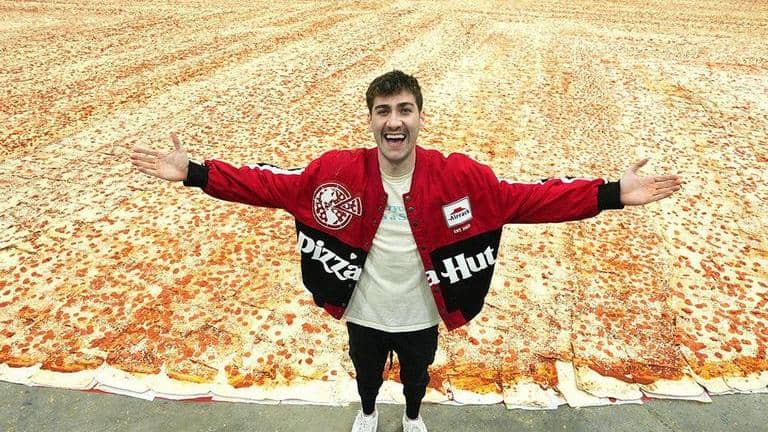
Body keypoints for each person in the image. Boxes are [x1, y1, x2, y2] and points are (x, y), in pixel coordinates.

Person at [130, 70, 682, 432]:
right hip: (362, 310)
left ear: (419, 117)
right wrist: (195, 173)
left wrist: (612, 193)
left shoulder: (461, 177)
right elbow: (265, 184)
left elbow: (530, 199)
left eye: (404, 110)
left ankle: (413, 415)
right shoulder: (333, 173)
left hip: (423, 314)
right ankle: (369, 411)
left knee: (417, 375)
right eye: (383, 111)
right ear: (371, 120)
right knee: (365, 373)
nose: (394, 121)